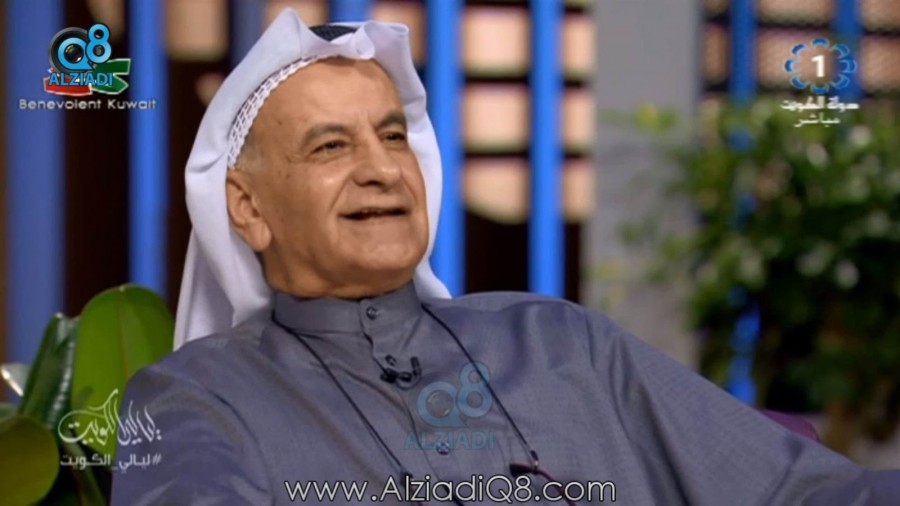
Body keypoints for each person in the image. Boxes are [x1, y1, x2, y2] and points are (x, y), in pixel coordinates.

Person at [111, 9, 900, 505]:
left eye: (393, 136)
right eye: (330, 146)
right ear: (247, 208)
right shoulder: (196, 399)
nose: (382, 169)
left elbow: (803, 491)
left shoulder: (559, 341)